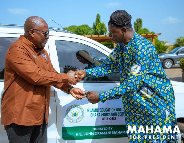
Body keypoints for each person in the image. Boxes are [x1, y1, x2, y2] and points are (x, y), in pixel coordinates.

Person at [76, 10, 178, 142]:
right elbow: (108, 66)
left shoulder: (142, 48)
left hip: (153, 106)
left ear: (124, 30)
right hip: (136, 108)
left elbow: (131, 84)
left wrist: (101, 96)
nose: (110, 36)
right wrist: (85, 72)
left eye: (113, 32)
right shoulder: (121, 47)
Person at [1, 16, 85, 143]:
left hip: (39, 116)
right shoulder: (18, 49)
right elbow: (36, 76)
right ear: (32, 32)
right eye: (45, 33)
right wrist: (66, 77)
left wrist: (69, 88)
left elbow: (51, 75)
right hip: (21, 117)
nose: (47, 37)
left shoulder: (42, 52)